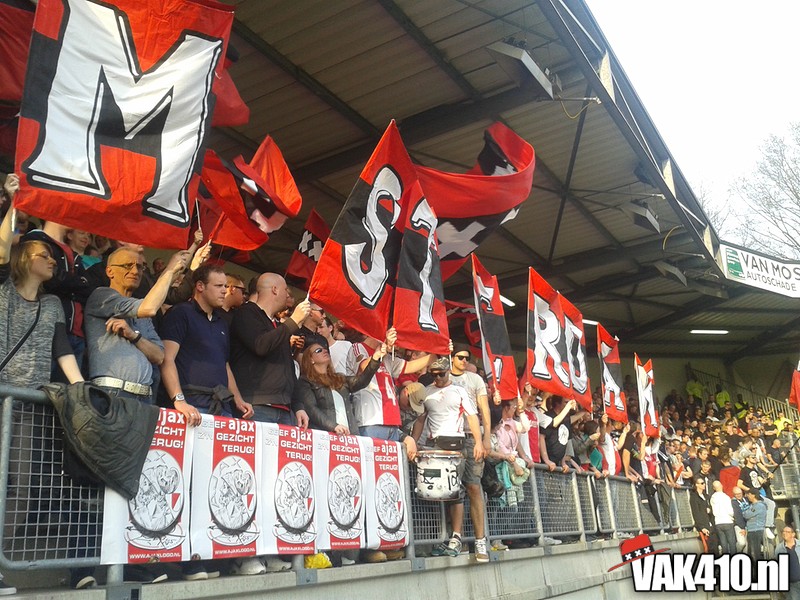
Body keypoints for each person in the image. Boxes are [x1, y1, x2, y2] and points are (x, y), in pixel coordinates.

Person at [1, 174, 84, 594]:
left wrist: (80, 387)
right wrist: (13, 202)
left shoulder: (52, 304)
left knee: (21, 484)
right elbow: (3, 247)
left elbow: (62, 350)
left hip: (28, 403)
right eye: (45, 255)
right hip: (2, 395)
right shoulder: (3, 292)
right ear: (25, 259)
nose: (53, 261)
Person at [85, 247, 190, 405]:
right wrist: (170, 271)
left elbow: (159, 356)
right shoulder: (101, 296)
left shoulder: (140, 310)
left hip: (145, 397)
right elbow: (150, 307)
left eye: (140, 267)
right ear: (109, 271)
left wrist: (133, 336)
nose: (135, 271)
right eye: (127, 265)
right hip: (111, 393)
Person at [412, 357, 487, 562]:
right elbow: (420, 419)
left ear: (448, 372)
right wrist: (414, 442)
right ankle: (449, 538)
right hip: (436, 443)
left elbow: (472, 416)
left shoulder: (459, 390)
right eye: (434, 375)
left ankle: (472, 539)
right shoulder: (427, 392)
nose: (437, 378)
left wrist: (479, 442)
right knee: (441, 491)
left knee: (463, 488)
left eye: (441, 374)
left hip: (457, 442)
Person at [230, 272, 310, 427]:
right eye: (286, 290)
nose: (288, 296)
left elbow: (288, 369)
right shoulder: (246, 312)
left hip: (285, 408)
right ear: (274, 289)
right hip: (257, 406)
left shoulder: (278, 326)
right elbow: (261, 345)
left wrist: (298, 405)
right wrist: (293, 321)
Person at [689, 477, 719, 555]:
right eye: (702, 483)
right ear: (696, 485)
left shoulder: (707, 496)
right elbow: (696, 513)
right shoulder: (694, 497)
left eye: (704, 483)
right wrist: (702, 527)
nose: (704, 485)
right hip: (704, 525)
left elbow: (711, 508)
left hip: (711, 524)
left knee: (715, 547)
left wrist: (710, 510)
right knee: (709, 548)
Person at [709, 481, 736, 555]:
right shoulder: (726, 497)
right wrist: (733, 517)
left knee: (723, 544)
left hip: (718, 522)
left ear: (714, 488)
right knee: (732, 543)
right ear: (721, 486)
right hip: (727, 521)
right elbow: (730, 511)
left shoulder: (712, 498)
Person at [776, 525, 800, 600]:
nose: (784, 533)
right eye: (783, 532)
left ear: (793, 534)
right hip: (791, 584)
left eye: (787, 532)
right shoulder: (779, 549)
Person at [743, 490, 767, 561]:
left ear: (753, 495)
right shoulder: (752, 505)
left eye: (748, 494)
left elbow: (746, 515)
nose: (747, 496)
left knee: (754, 552)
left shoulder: (759, 506)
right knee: (751, 551)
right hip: (751, 530)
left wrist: (748, 515)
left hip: (756, 530)